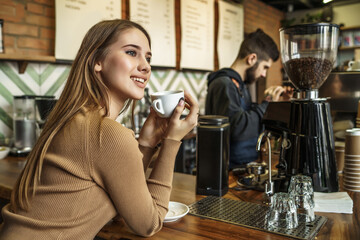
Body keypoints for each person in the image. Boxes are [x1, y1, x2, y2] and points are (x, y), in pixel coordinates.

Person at [0, 19, 198, 239]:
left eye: (148, 57)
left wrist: (147, 144)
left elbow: (124, 192)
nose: (146, 66)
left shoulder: (75, 119)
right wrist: (171, 141)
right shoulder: (107, 133)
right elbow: (148, 223)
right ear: (97, 61)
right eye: (132, 53)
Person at [205, 29, 292, 169]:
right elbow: (237, 128)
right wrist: (266, 103)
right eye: (265, 67)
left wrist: (276, 105)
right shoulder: (224, 84)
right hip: (227, 170)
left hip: (243, 166)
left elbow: (251, 123)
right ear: (252, 58)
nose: (264, 74)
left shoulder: (241, 85)